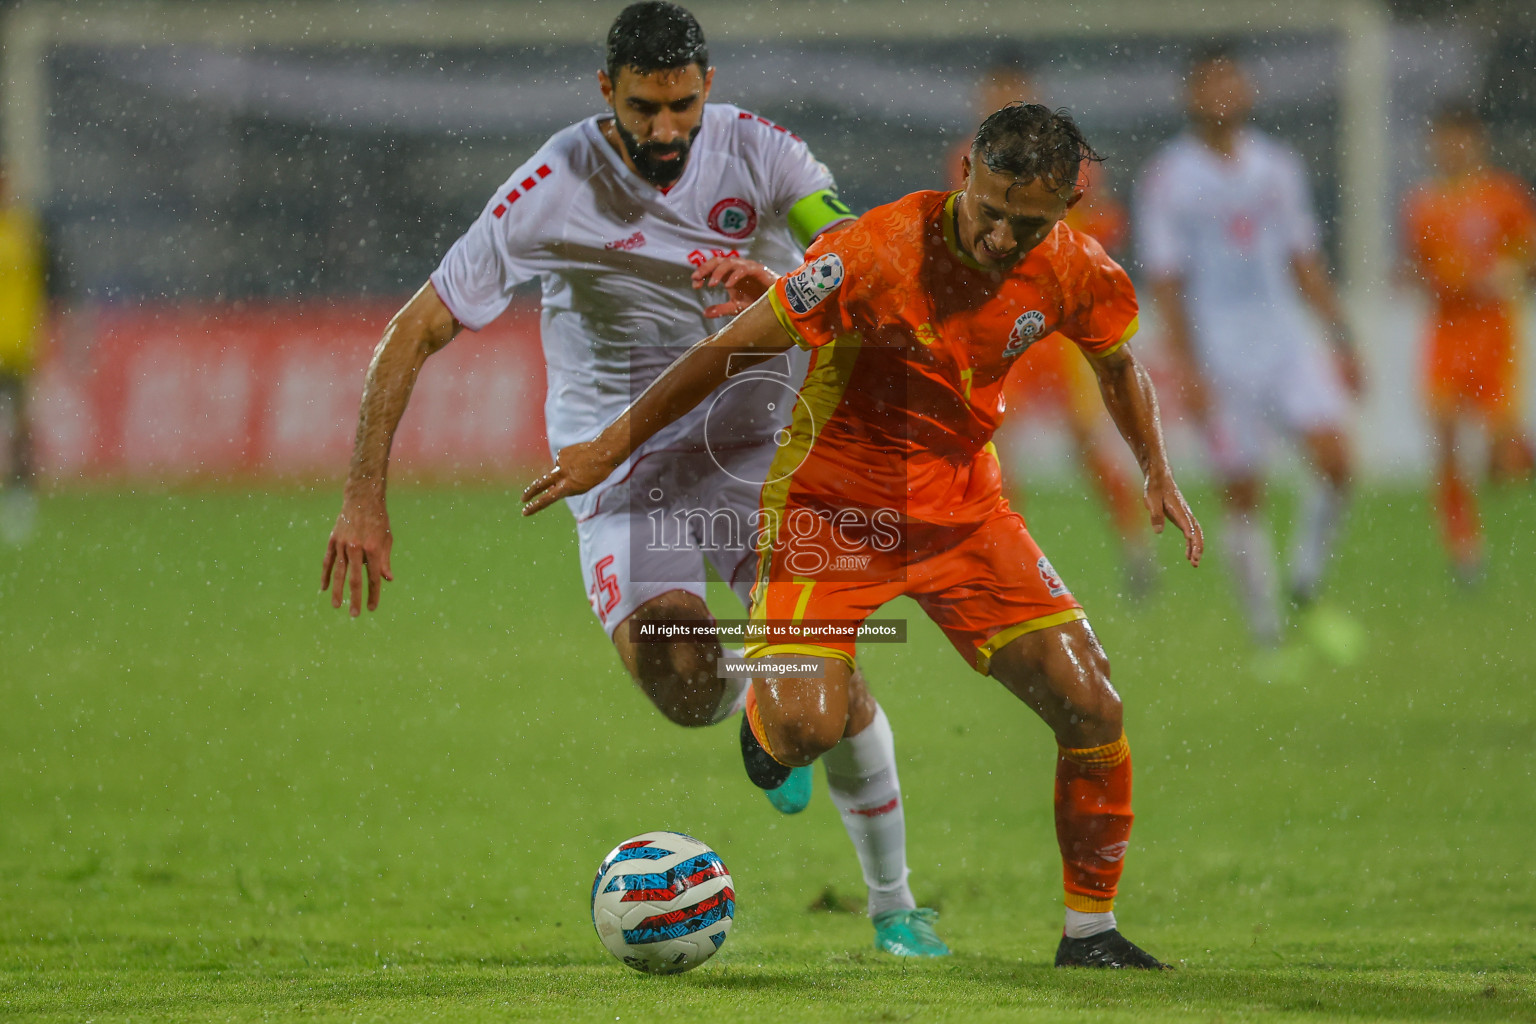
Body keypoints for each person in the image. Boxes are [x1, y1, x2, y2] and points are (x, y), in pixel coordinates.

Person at [320, 2, 946, 958]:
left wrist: (796, 273)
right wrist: (365, 495)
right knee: (681, 678)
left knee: (825, 689)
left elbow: (849, 242)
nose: (665, 130)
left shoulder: (762, 153)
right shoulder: (552, 185)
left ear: (709, 89)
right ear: (605, 91)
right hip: (624, 465)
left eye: (682, 106)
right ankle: (757, 712)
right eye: (644, 108)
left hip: (759, 458)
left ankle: (895, 905)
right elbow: (419, 326)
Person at [524, 102, 1203, 969]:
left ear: (1066, 209)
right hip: (829, 515)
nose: (1001, 236)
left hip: (966, 516)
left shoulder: (1077, 270)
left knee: (1092, 702)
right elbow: (732, 347)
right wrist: (609, 447)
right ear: (969, 176)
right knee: (808, 726)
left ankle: (1090, 934)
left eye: (1027, 223)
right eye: (990, 208)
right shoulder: (876, 251)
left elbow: (1117, 362)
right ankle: (768, 731)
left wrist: (1155, 467)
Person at [1136, 45, 1361, 648]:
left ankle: (1305, 583)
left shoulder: (1277, 166)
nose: (1222, 94)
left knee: (1339, 464)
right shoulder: (1170, 177)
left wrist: (1341, 335)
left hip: (1286, 341)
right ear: (1191, 97)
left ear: (1247, 92)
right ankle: (1266, 635)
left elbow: (1304, 259)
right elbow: (1166, 280)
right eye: (1209, 84)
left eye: (1230, 82)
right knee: (1244, 492)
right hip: (1220, 353)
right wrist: (1187, 370)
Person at [948, 49, 1156, 597]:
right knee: (996, 444)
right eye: (994, 93)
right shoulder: (965, 162)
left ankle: (1136, 547)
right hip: (1000, 323)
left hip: (1056, 328)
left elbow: (1106, 225)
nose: (999, 101)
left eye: (1011, 91)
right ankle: (1007, 565)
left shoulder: (1069, 163)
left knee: (1087, 440)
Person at [1401, 101, 1536, 583]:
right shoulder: (1422, 205)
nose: (1452, 148)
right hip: (1446, 336)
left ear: (1477, 141)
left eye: (1460, 138)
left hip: (1494, 335)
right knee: (1445, 441)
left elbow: (1525, 257)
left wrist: (1507, 272)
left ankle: (1518, 454)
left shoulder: (1504, 196)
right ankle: (1465, 551)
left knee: (1504, 462)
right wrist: (1442, 279)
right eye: (1443, 139)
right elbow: (1418, 269)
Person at [0, 163, 45, 546]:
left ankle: (20, 495)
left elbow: (56, 280)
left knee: (20, 425)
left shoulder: (26, 232)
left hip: (15, 348)